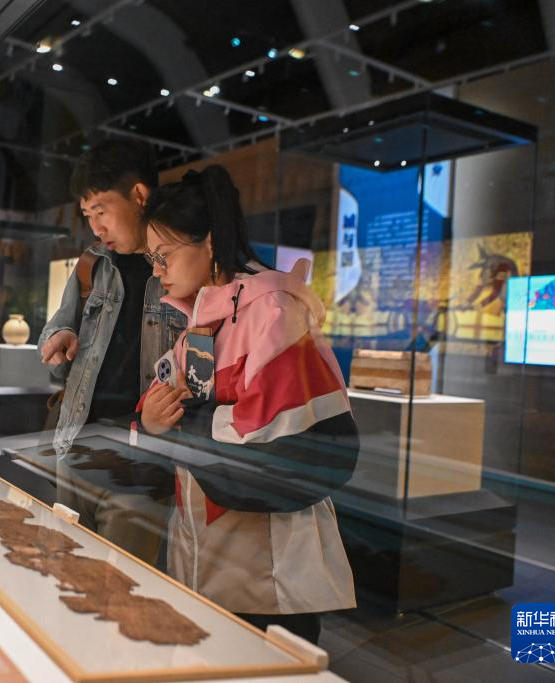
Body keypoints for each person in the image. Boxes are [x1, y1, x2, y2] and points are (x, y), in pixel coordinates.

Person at [133, 166, 358, 644]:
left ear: (210, 243)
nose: (156, 270)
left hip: (268, 578)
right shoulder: (201, 321)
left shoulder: (273, 310)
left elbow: (276, 438)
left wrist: (179, 423)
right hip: (205, 561)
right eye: (152, 258)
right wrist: (151, 421)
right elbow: (159, 405)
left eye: (164, 255)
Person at [37, 139, 186, 565]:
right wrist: (59, 336)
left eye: (101, 211)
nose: (96, 228)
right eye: (88, 216)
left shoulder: (179, 268)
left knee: (117, 586)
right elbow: (57, 325)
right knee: (63, 574)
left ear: (139, 195)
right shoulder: (94, 264)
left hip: (141, 469)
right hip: (76, 449)